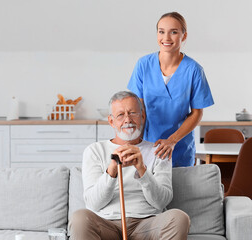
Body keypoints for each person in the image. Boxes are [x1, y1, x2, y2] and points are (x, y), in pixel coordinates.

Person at [68, 91, 190, 240]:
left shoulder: (158, 151)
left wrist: (142, 170)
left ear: (142, 116)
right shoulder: (95, 151)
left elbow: (161, 202)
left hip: (147, 224)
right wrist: (111, 170)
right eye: (120, 115)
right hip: (106, 224)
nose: (127, 120)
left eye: (133, 113)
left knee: (179, 217)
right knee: (79, 218)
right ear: (111, 121)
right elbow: (93, 203)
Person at [127, 12, 214, 167]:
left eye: (173, 32)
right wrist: (134, 142)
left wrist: (172, 140)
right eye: (161, 31)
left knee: (180, 191)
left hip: (179, 148)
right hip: (147, 146)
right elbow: (138, 109)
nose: (166, 38)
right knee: (147, 189)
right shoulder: (143, 65)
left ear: (184, 36)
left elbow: (197, 113)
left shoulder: (194, 70)